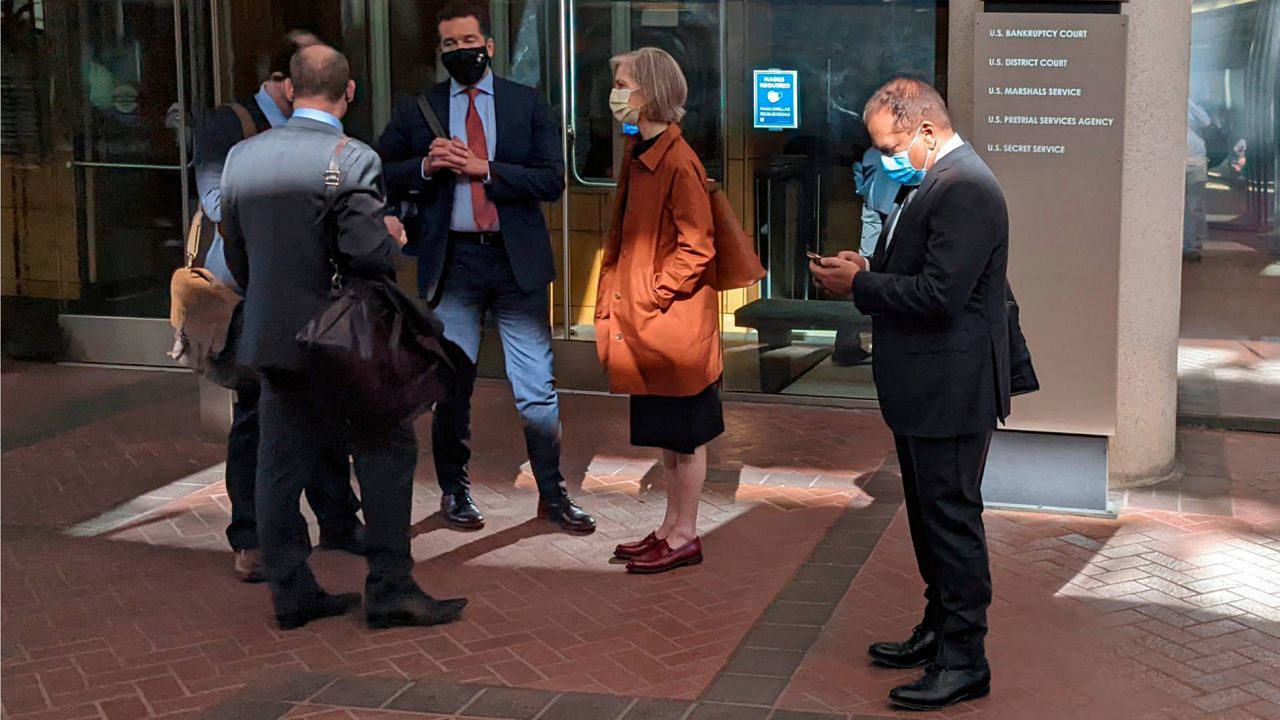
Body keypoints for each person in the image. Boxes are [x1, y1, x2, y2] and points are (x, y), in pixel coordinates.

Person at [221, 44, 466, 631]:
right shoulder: (351, 157)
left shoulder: (241, 157)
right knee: (387, 450)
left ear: (288, 89)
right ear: (348, 91)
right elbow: (363, 254)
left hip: (273, 334)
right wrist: (390, 235)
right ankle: (389, 587)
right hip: (344, 342)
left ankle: (291, 589)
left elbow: (237, 251)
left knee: (278, 462)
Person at [810, 77, 1010, 711]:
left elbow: (942, 294)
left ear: (925, 129)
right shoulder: (935, 182)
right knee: (930, 517)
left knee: (951, 519)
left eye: (890, 144)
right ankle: (939, 629)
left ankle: (964, 659)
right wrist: (869, 269)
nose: (886, 158)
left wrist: (861, 290)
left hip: (951, 385)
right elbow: (922, 272)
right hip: (925, 382)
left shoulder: (966, 187)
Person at [376, 2, 594, 535]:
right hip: (454, 261)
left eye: (468, 41)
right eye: (449, 45)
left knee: (536, 385)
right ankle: (455, 491)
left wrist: (485, 169)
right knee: (453, 382)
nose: (460, 52)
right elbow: (381, 171)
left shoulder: (526, 104)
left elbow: (551, 180)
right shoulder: (419, 109)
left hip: (514, 260)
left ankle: (553, 495)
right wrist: (428, 165)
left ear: (489, 46)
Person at [192, 28, 365, 583]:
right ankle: (252, 537)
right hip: (254, 293)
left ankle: (338, 519)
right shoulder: (232, 129)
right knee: (255, 419)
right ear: (283, 81)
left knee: (328, 411)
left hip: (314, 293)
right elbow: (220, 205)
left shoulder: (328, 131)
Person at [596, 48, 722, 575]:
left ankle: (685, 533)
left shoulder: (675, 159)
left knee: (685, 437)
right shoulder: (642, 150)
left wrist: (652, 293)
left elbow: (698, 245)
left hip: (670, 326)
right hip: (652, 327)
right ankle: (671, 527)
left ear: (648, 92)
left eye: (623, 83)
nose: (616, 94)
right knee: (669, 438)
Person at [1184, 99, 1211, 263]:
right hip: (1174, 160)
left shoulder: (1192, 105)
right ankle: (1184, 243)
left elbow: (1206, 122)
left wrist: (1189, 102)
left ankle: (1193, 244)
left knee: (1195, 206)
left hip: (1195, 160)